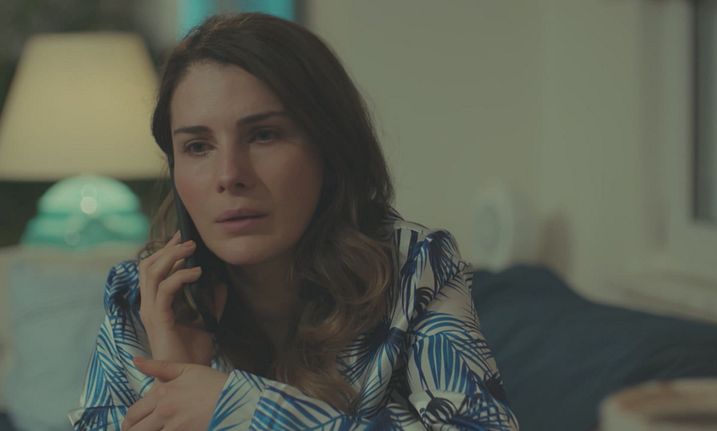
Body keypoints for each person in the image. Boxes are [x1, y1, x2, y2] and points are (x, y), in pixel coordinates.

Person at [68, 12, 518, 431]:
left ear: (330, 149)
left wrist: (248, 410)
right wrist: (178, 377)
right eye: (198, 147)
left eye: (264, 135)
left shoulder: (413, 270)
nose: (229, 176)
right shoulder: (141, 301)